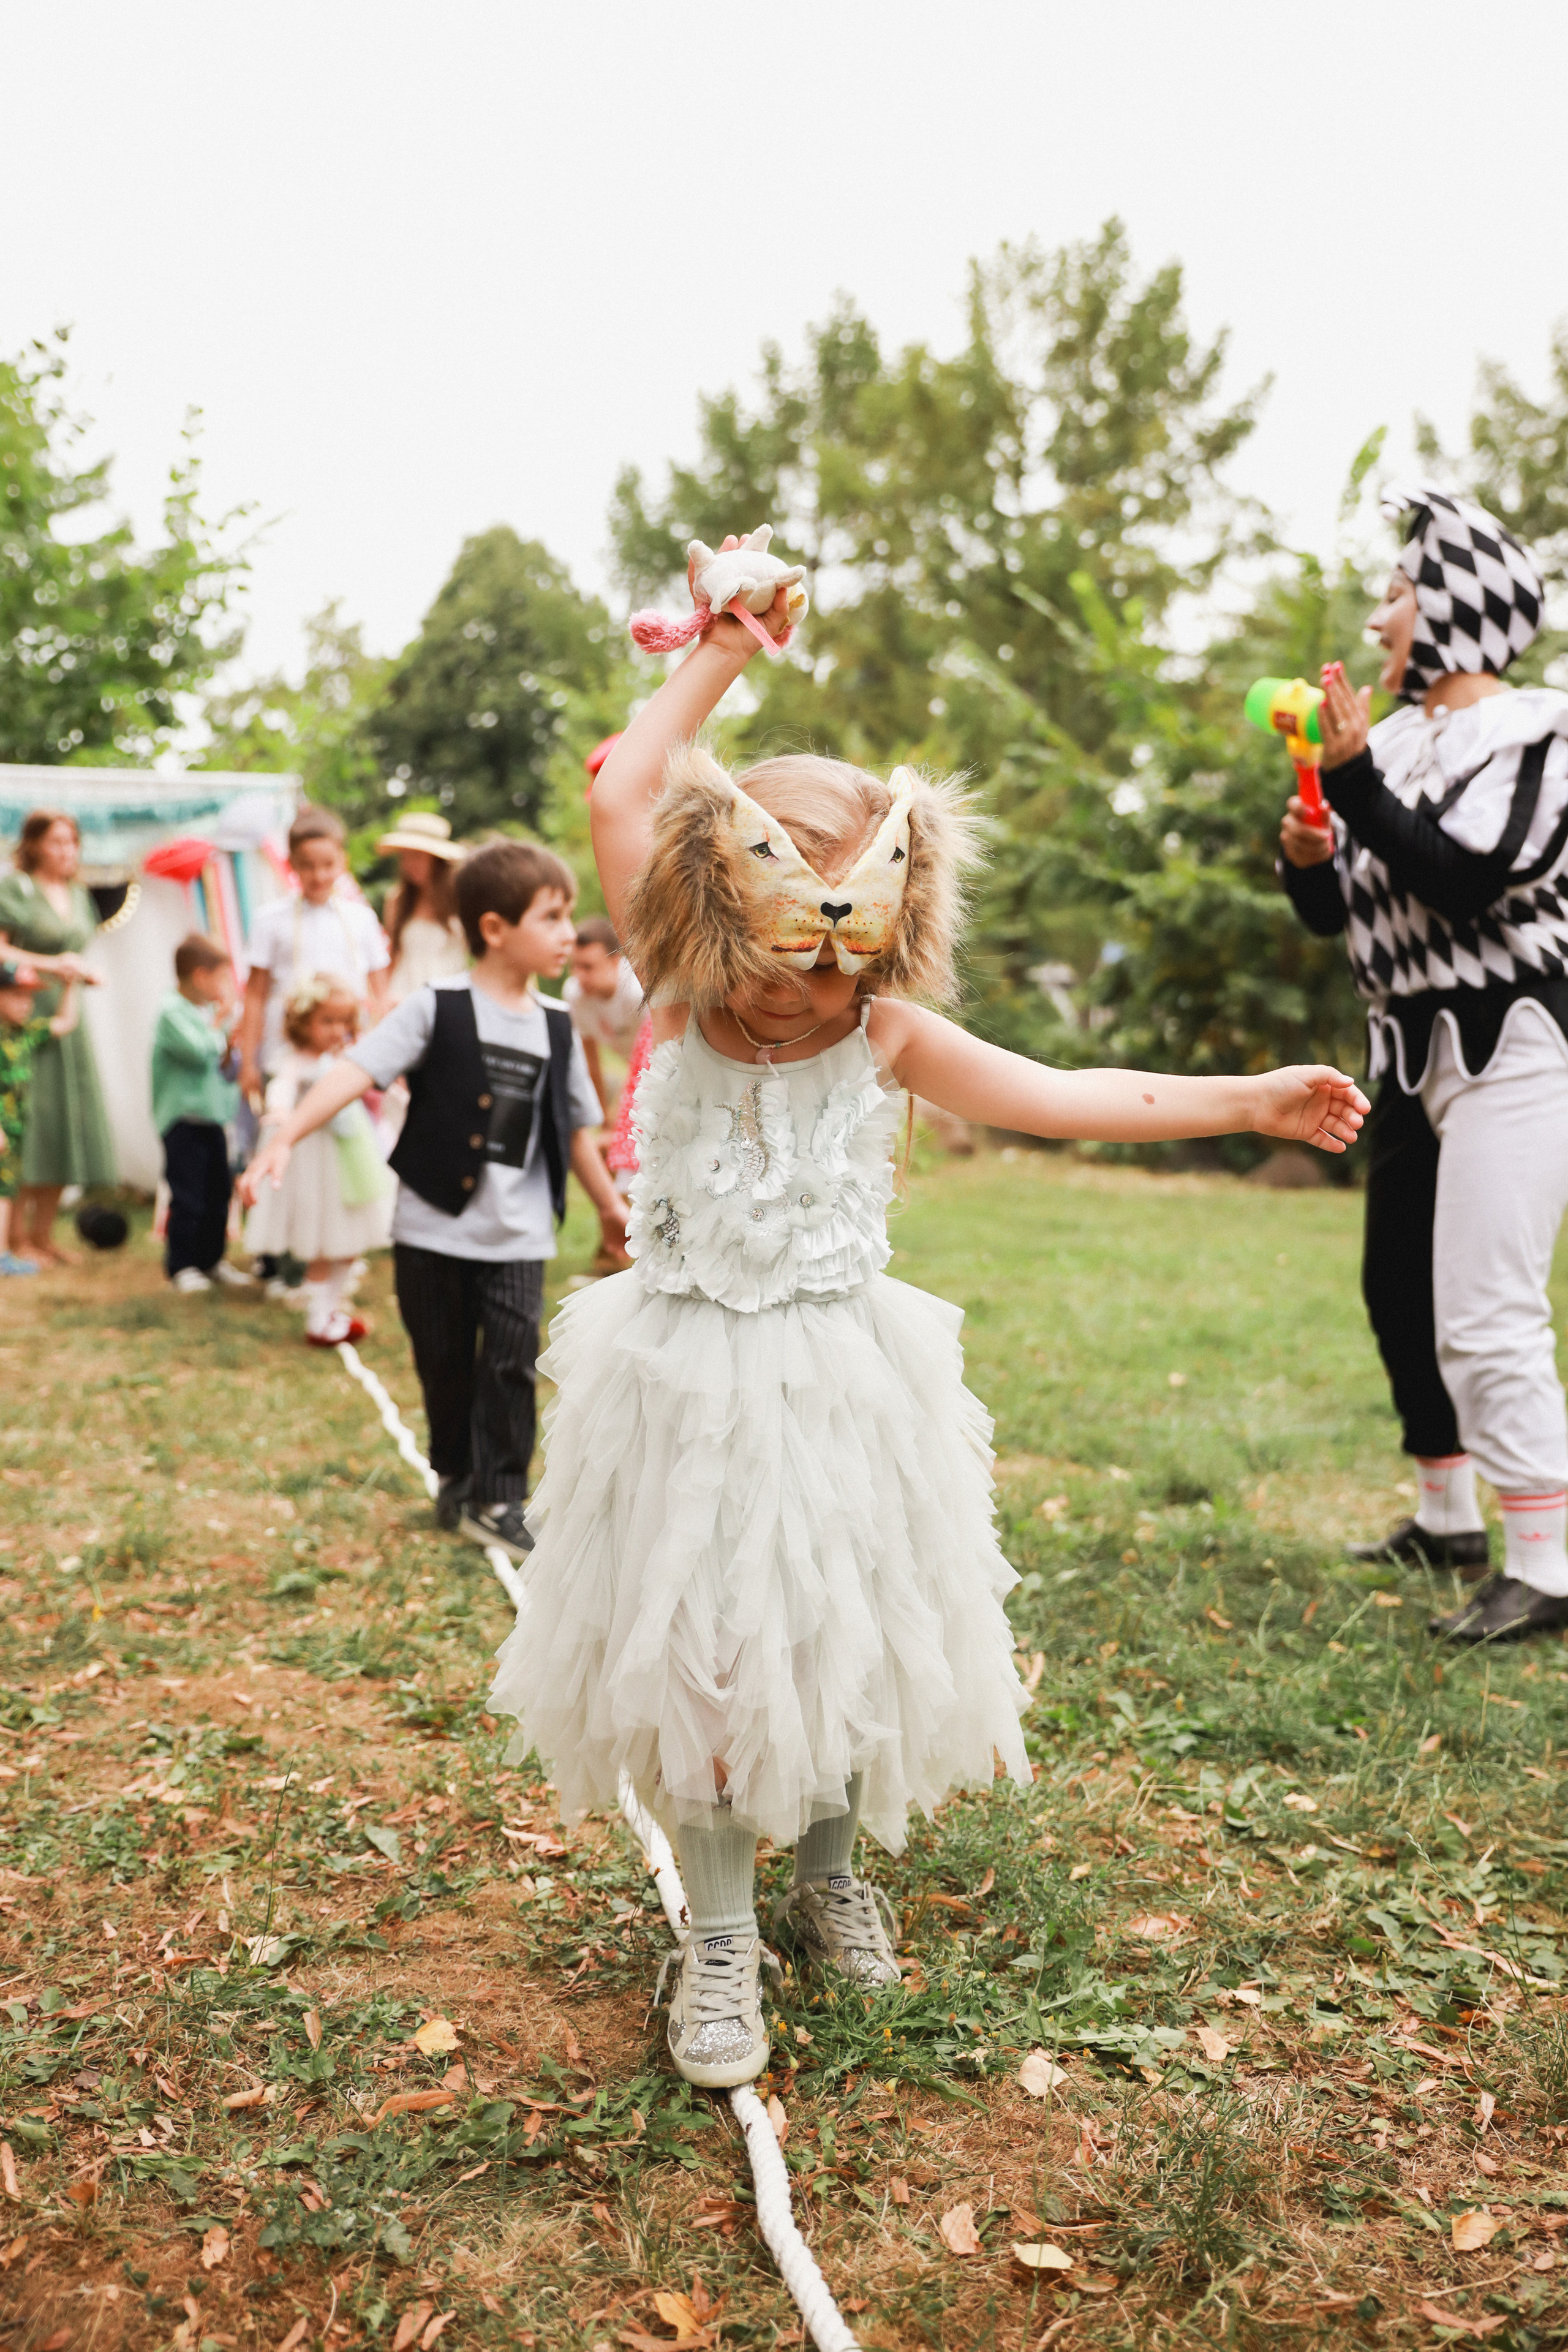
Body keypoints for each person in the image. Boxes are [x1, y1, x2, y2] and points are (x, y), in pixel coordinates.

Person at [483, 542, 1367, 2089]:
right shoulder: (687, 998)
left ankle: (828, 1872)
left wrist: (1248, 1097)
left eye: (827, 971)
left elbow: (1067, 1093)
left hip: (842, 1371)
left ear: (883, 938)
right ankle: (716, 1925)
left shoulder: (881, 1032)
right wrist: (727, 648)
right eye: (766, 959)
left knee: (839, 1630)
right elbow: (628, 784)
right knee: (698, 1644)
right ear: (709, 913)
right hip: (682, 1368)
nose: (790, 997)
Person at [1279, 484, 1568, 1645]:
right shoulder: (1393, 742)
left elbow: (1471, 876)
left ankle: (1547, 1559)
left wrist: (1351, 786)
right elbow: (1340, 908)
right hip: (1408, 1042)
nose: (1378, 617)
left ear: (1458, 606)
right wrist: (1309, 853)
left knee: (1489, 1307)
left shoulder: (1540, 730)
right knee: (1399, 1291)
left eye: (1398, 592)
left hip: (1519, 1042)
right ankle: (1447, 1515)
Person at [240, 841, 628, 1557]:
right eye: (551, 917)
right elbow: (354, 1073)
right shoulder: (434, 1006)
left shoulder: (556, 1025)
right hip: (431, 1228)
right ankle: (456, 1472)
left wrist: (608, 1207)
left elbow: (577, 1130)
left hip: (518, 1234)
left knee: (509, 1364)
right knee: (443, 1362)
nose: (568, 933)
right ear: (493, 928)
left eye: (569, 917)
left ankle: (501, 1495)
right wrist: (283, 1136)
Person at [243, 978, 391, 1345]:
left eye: (344, 1021)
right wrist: (279, 1111)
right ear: (302, 1022)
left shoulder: (344, 1060)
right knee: (325, 1239)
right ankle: (318, 1317)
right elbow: (283, 1085)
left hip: (349, 1155)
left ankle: (330, 1310)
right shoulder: (295, 1062)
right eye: (327, 1021)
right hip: (316, 1160)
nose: (338, 1030)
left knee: (350, 1237)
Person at [0, 810, 116, 1264]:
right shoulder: (16, 888)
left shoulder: (78, 894)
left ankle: (44, 1235)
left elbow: (77, 951)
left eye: (73, 842)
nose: (66, 851)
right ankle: (16, 1238)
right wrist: (53, 966)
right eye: (56, 842)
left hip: (68, 1015)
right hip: (23, 1013)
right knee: (31, 1122)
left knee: (67, 1119)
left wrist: (84, 973)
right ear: (34, 845)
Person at [236, 806, 390, 1101]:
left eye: (328, 864)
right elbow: (255, 995)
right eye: (307, 865)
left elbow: (381, 993)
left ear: (343, 861)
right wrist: (248, 1062)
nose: (318, 875)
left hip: (347, 1050)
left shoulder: (362, 919)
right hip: (285, 1053)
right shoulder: (269, 919)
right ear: (291, 863)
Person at [151, 934, 252, 1294]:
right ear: (199, 976)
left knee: (218, 1191)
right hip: (183, 1121)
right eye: (221, 978)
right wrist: (222, 1024)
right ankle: (183, 1265)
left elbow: (223, 1061)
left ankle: (212, 1260)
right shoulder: (171, 1012)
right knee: (188, 1193)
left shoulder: (206, 1012)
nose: (225, 988)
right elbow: (196, 1052)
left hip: (213, 1117)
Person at [0, 963, 81, 1275]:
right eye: (17, 995)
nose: (26, 1004)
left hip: (15, 1129)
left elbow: (65, 1022)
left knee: (7, 1188)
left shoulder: (23, 1034)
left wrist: (70, 986)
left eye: (29, 997)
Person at [377, 812, 469, 1003]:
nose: (410, 864)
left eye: (418, 856)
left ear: (436, 859)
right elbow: (393, 955)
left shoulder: (460, 899)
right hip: (404, 997)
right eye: (406, 856)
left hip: (450, 999)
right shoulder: (397, 900)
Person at [564, 915, 647, 1118]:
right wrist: (603, 1119)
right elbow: (590, 1061)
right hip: (634, 1068)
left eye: (588, 967)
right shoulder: (575, 995)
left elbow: (650, 1060)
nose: (578, 976)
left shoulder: (637, 991)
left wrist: (618, 1115)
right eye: (574, 966)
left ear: (614, 962)